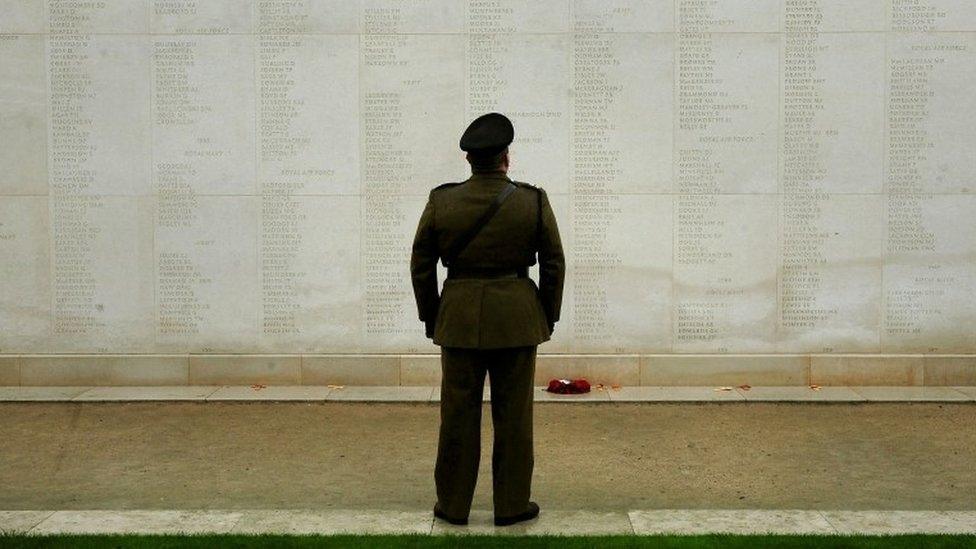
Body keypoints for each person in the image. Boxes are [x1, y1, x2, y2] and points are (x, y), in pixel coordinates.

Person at [410, 112, 565, 527]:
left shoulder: (443, 201)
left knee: (457, 417)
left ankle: (453, 506)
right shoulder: (531, 201)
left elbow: (421, 264)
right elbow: (553, 262)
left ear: (469, 161)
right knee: (514, 418)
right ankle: (512, 505)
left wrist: (433, 316)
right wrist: (546, 316)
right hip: (517, 319)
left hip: (458, 318)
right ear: (506, 159)